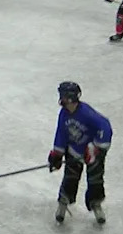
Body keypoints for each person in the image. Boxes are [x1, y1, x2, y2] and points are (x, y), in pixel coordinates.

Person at [47, 81, 112, 225]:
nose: (61, 99)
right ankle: (63, 203)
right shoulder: (64, 114)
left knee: (95, 179)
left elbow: (105, 127)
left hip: (92, 153)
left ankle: (96, 204)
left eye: (63, 96)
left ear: (69, 97)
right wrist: (57, 153)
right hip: (74, 152)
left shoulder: (86, 112)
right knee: (70, 178)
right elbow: (61, 133)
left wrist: (96, 147)